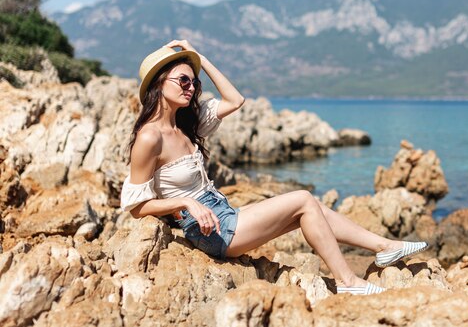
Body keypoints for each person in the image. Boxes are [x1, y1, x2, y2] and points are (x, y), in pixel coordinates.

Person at [121, 40, 428, 295]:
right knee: (304, 200)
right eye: (183, 80)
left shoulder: (187, 125)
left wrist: (200, 57)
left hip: (224, 215)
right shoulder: (150, 136)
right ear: (159, 83)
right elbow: (136, 206)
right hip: (210, 231)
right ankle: (348, 281)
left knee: (312, 209)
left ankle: (384, 246)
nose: (191, 87)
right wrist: (185, 201)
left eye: (194, 81)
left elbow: (235, 99)